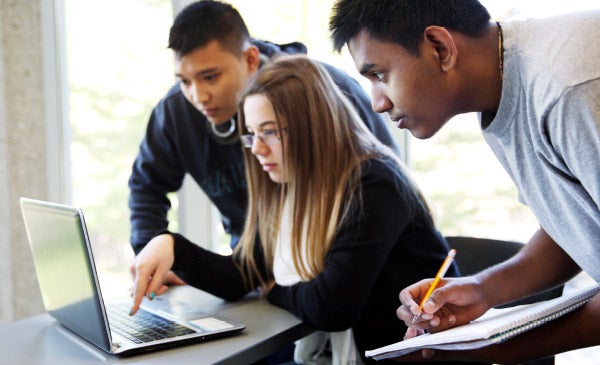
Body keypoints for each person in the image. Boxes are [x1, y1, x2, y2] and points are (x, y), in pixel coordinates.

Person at [129, 55, 463, 365]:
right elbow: (242, 275)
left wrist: (275, 290)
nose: (257, 149)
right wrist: (172, 246)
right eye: (252, 135)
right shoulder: (291, 185)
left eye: (270, 132)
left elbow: (331, 307)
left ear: (313, 128)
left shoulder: (374, 184)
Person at [329, 0, 600, 363]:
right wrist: (481, 290)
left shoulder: (568, 88)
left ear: (439, 47)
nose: (377, 102)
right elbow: (576, 224)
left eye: (379, 75)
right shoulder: (502, 89)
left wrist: (484, 348)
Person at [127, 0, 399, 275]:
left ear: (250, 59)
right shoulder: (176, 111)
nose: (199, 97)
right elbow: (145, 186)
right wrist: (153, 257)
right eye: (185, 81)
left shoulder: (326, 93)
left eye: (210, 77)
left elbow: (386, 181)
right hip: (252, 267)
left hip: (334, 267)